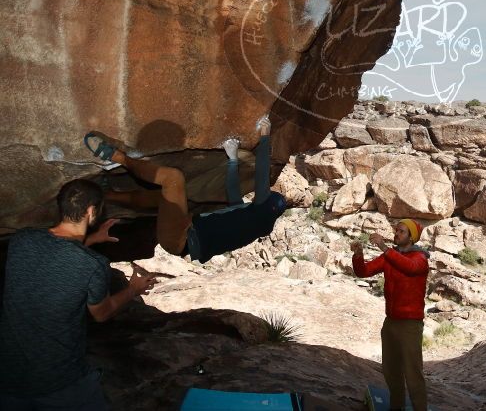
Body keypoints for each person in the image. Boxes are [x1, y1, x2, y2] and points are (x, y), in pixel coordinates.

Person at [0, 179, 157, 410]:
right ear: (92, 211)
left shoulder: (21, 240)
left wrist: (91, 239)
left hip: (8, 375)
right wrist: (133, 289)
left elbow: (54, 252)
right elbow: (102, 313)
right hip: (59, 382)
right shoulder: (93, 264)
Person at [83, 116, 286, 263]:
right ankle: (106, 195)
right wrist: (232, 160)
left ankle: (116, 158)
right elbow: (233, 194)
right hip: (182, 234)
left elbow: (261, 175)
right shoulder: (253, 219)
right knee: (164, 198)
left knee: (173, 180)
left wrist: (265, 136)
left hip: (180, 237)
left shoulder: (261, 213)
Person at [351, 219, 430, 411]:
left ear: (411, 237)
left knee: (413, 373)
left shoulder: (420, 258)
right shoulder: (391, 257)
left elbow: (409, 267)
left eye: (401, 232)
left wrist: (383, 246)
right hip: (391, 322)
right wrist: (358, 255)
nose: (396, 234)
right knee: (391, 370)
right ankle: (397, 408)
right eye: (396, 231)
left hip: (410, 324)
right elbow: (363, 272)